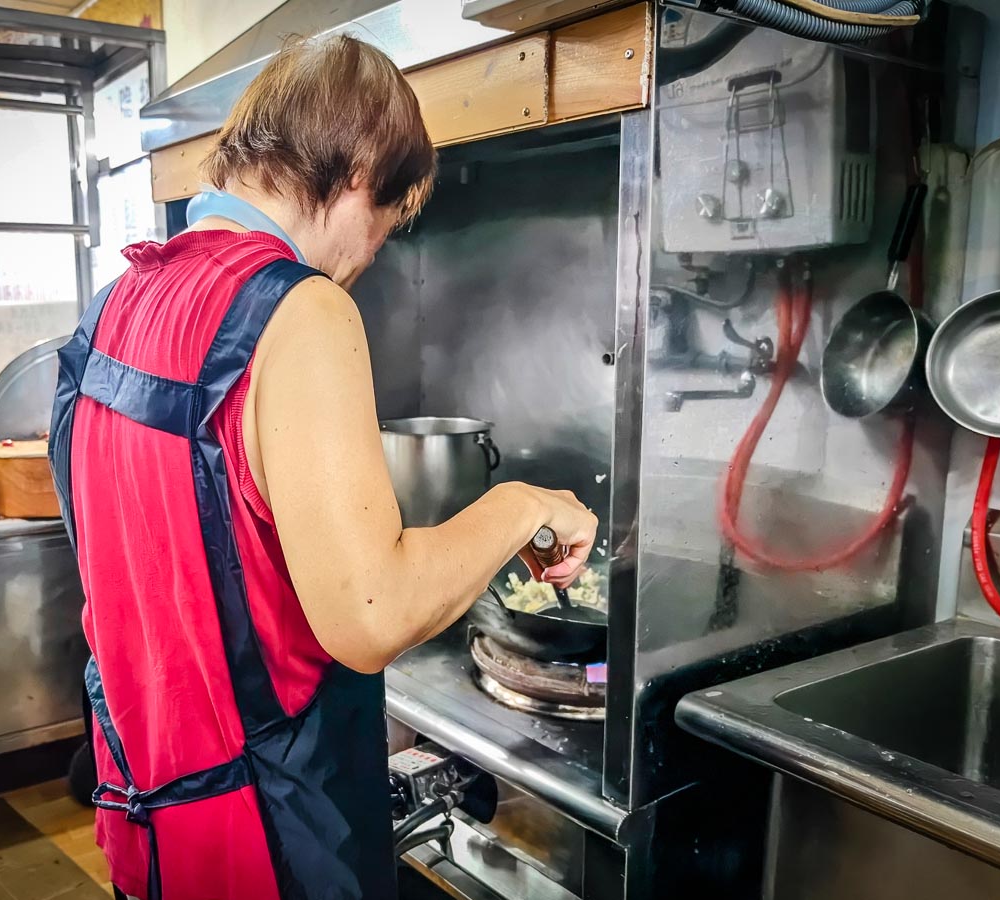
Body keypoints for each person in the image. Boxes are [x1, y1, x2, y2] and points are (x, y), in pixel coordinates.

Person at [49, 33, 597, 900]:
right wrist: (521, 502)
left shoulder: (117, 304)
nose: (375, 249)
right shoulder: (298, 309)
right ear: (357, 173)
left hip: (148, 814)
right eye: (385, 218)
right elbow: (370, 616)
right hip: (270, 837)